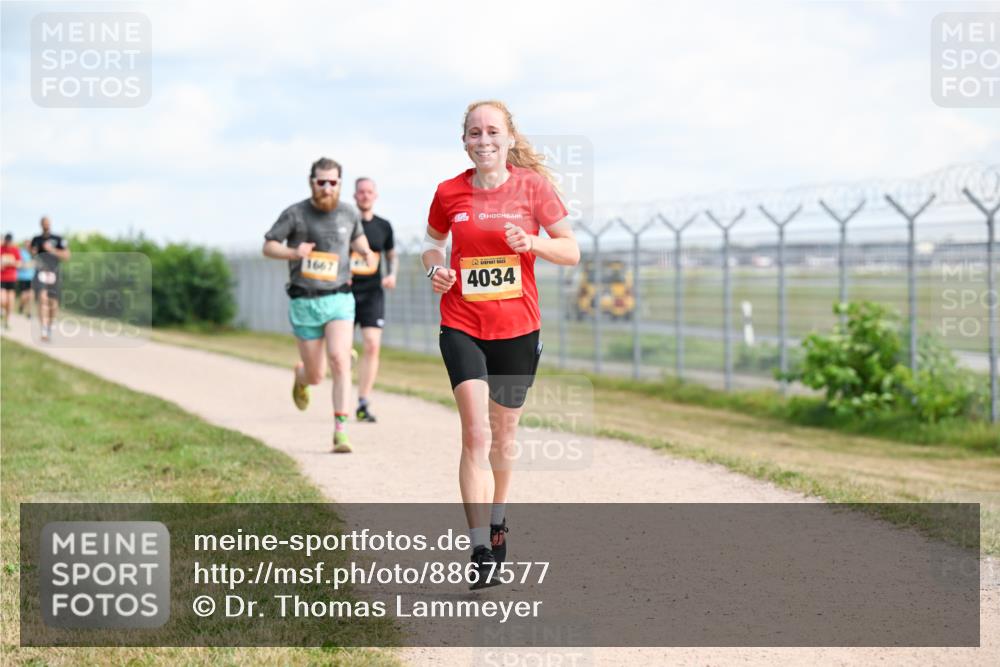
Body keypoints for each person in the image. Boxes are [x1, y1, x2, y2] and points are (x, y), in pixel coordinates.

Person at [422, 100, 580, 589]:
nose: (483, 140)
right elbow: (431, 243)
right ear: (464, 141)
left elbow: (571, 251)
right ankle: (478, 548)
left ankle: (497, 521)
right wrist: (436, 269)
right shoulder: (449, 192)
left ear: (509, 139)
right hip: (462, 322)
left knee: (504, 435)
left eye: (492, 131)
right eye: (474, 132)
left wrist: (532, 244)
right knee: (476, 434)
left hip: (518, 328)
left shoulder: (533, 188)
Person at [263, 157, 374, 453]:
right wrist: (293, 251)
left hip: (339, 298)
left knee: (339, 360)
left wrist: (365, 253)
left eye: (333, 182)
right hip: (305, 301)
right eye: (321, 182)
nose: (327, 187)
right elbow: (269, 245)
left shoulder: (349, 214)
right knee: (316, 375)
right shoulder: (296, 214)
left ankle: (341, 431)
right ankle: (301, 376)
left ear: (340, 184)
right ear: (311, 182)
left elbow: (359, 241)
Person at [350, 177, 397, 423]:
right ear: (355, 196)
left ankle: (363, 401)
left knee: (371, 345)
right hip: (345, 292)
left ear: (375, 195)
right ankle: (340, 398)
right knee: (342, 349)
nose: (365, 196)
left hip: (372, 292)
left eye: (369, 192)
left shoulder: (384, 226)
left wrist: (392, 274)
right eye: (361, 192)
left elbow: (392, 255)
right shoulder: (347, 224)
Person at [30, 217, 70, 342]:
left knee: (53, 303)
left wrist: (51, 250)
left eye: (48, 223)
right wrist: (33, 252)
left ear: (50, 224)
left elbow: (67, 256)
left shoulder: (58, 239)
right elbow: (32, 253)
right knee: (42, 299)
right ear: (41, 225)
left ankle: (49, 326)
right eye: (44, 223)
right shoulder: (36, 239)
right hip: (41, 271)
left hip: (54, 272)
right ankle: (43, 328)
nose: (46, 225)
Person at [0, 234, 22, 329]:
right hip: (2, 277)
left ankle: (7, 321)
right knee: (2, 300)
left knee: (10, 301)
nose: (8, 243)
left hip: (12, 278)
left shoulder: (15, 250)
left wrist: (12, 263)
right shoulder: (1, 249)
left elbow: (20, 263)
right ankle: (1, 310)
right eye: (6, 241)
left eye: (10, 241)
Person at [16, 239, 35, 318]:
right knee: (24, 295)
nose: (28, 246)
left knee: (31, 295)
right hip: (23, 277)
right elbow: (19, 264)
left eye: (29, 244)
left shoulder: (33, 253)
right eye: (27, 244)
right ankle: (21, 306)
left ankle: (29, 312)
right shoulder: (21, 252)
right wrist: (27, 265)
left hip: (33, 277)